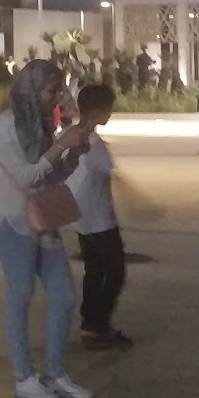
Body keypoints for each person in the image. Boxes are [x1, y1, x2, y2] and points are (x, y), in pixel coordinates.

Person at [0, 59, 92, 398]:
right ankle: (23, 376)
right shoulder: (7, 124)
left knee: (63, 296)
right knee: (21, 295)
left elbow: (50, 175)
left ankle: (55, 372)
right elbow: (26, 176)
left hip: (43, 219)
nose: (56, 97)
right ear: (31, 89)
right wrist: (60, 146)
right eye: (51, 90)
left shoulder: (42, 123)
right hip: (14, 220)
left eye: (59, 90)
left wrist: (73, 153)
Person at [67, 84, 132, 350]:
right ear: (96, 112)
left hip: (80, 217)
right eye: (108, 109)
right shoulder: (95, 145)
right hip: (100, 219)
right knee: (114, 273)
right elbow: (113, 175)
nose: (111, 113)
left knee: (93, 271)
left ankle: (89, 323)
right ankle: (97, 325)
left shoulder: (69, 136)